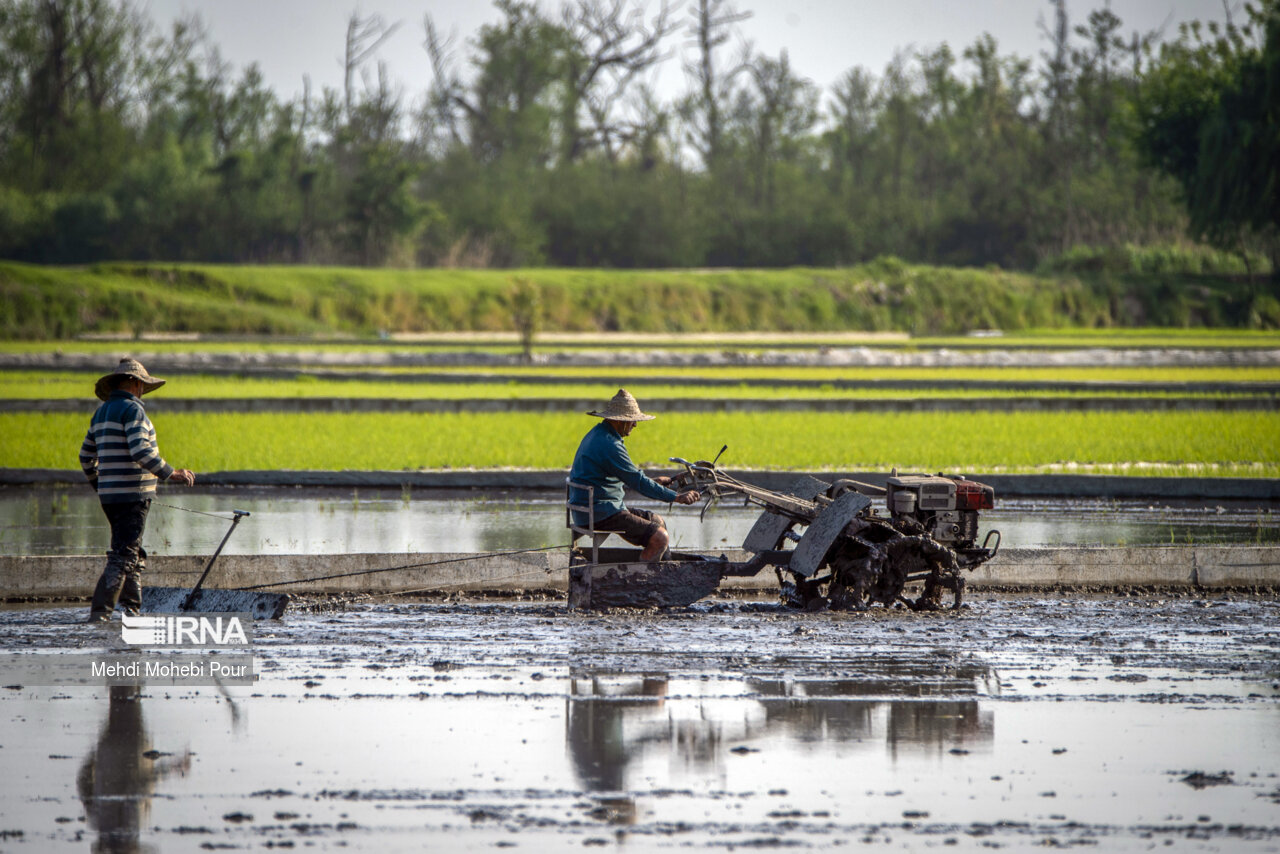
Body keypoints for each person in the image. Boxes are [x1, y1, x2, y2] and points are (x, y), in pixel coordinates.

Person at [79, 359, 195, 623]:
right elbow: (140, 451)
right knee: (123, 555)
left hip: (110, 497)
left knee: (130, 551)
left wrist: (101, 485)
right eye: (141, 384)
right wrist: (171, 472)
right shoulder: (134, 412)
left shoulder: (102, 412)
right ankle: (100, 616)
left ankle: (131, 610)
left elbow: (86, 456)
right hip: (132, 496)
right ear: (133, 383)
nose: (142, 389)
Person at [569, 389, 700, 561]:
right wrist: (676, 497)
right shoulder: (610, 445)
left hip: (596, 507)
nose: (635, 425)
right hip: (601, 513)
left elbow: (616, 479)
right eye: (632, 421)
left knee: (657, 521)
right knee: (660, 538)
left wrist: (653, 482)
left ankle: (664, 571)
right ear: (619, 420)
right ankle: (644, 581)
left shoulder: (598, 434)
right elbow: (638, 481)